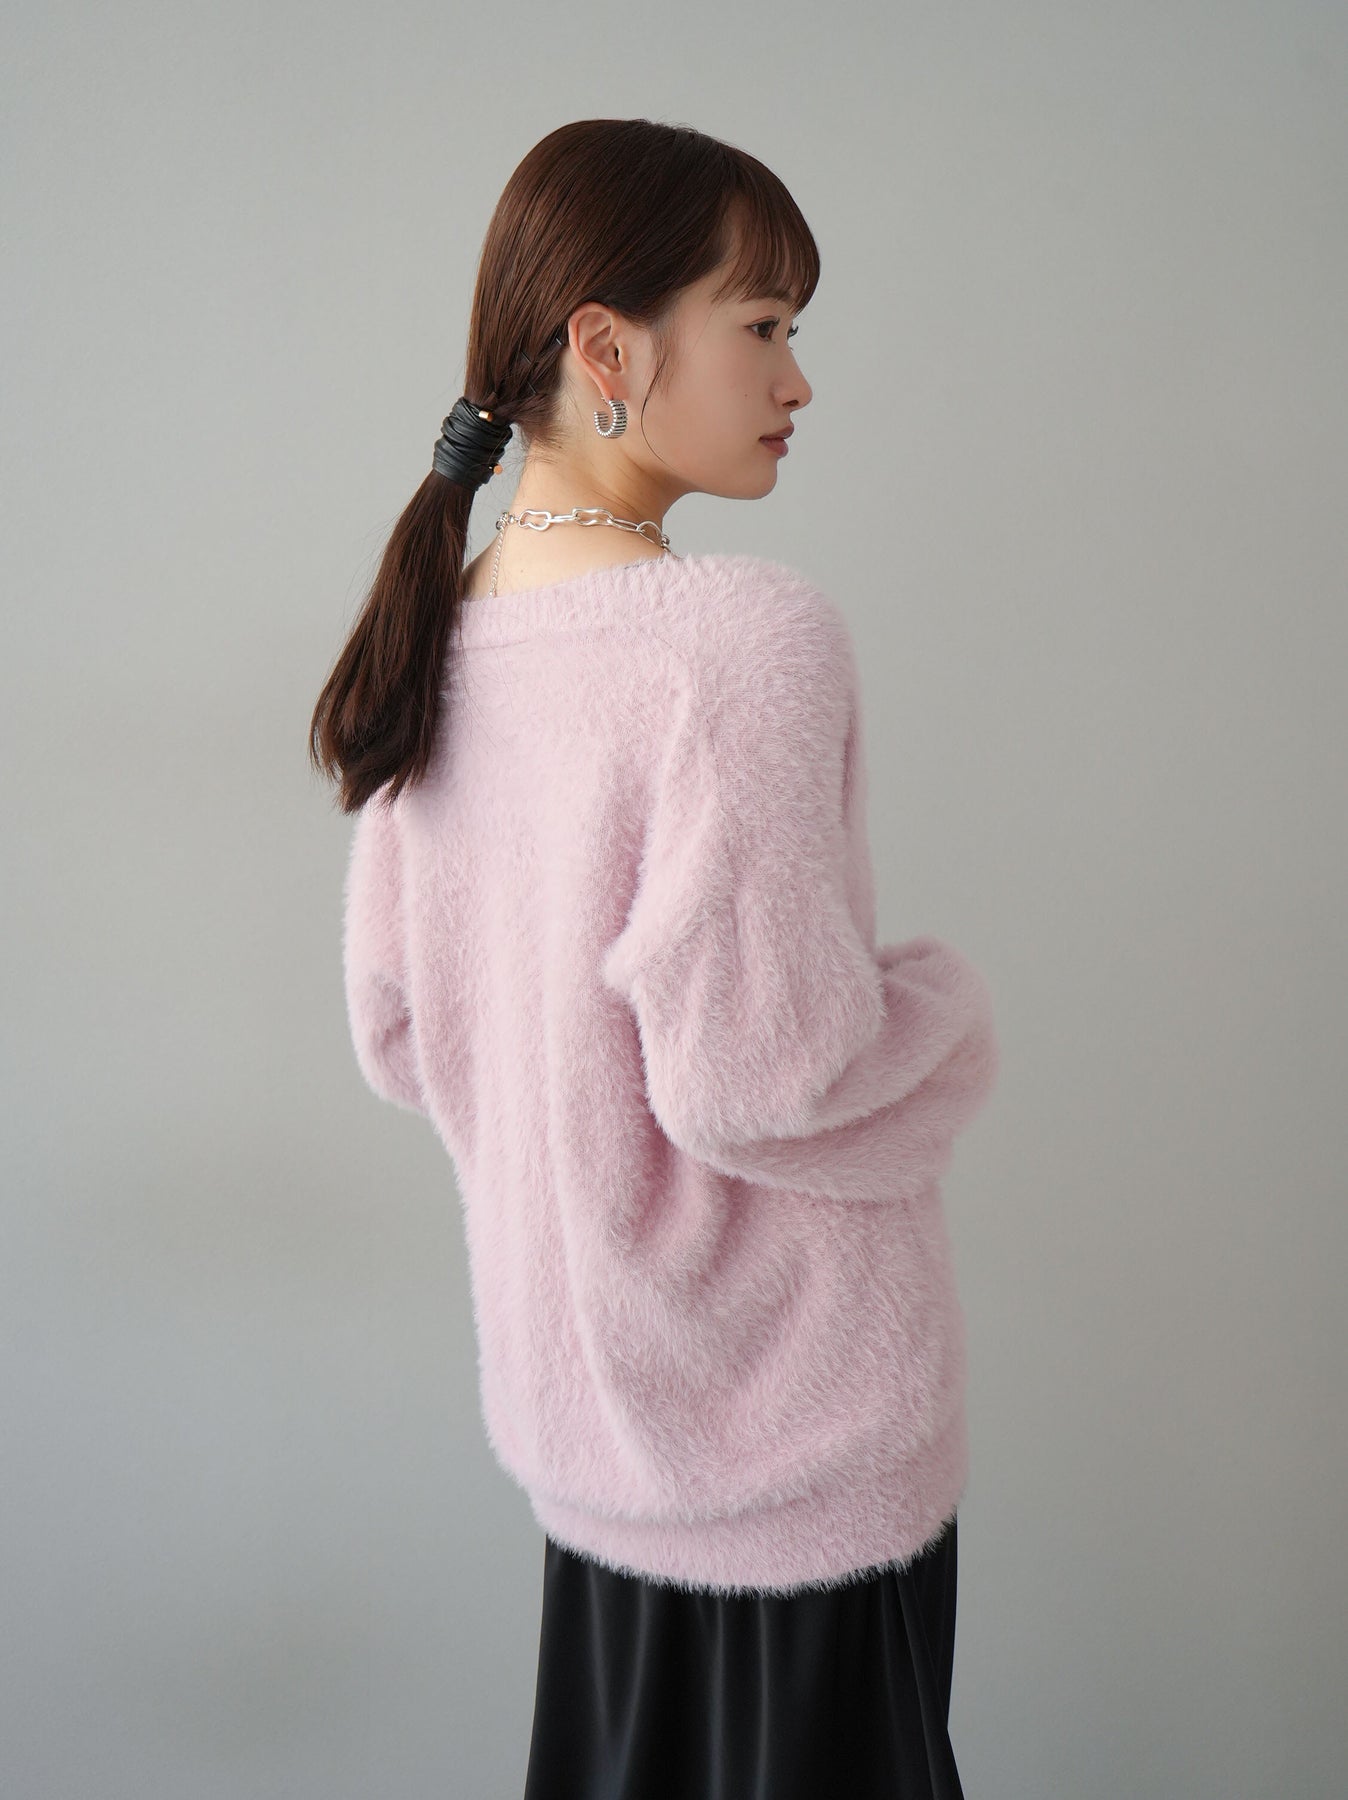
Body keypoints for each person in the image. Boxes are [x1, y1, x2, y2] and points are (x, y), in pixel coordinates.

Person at [309, 116, 999, 1800]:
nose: (798, 379)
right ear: (608, 351)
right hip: (794, 1439)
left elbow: (399, 1032)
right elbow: (773, 1079)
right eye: (763, 324)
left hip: (590, 1445)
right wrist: (948, 1018)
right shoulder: (737, 644)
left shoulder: (440, 634)